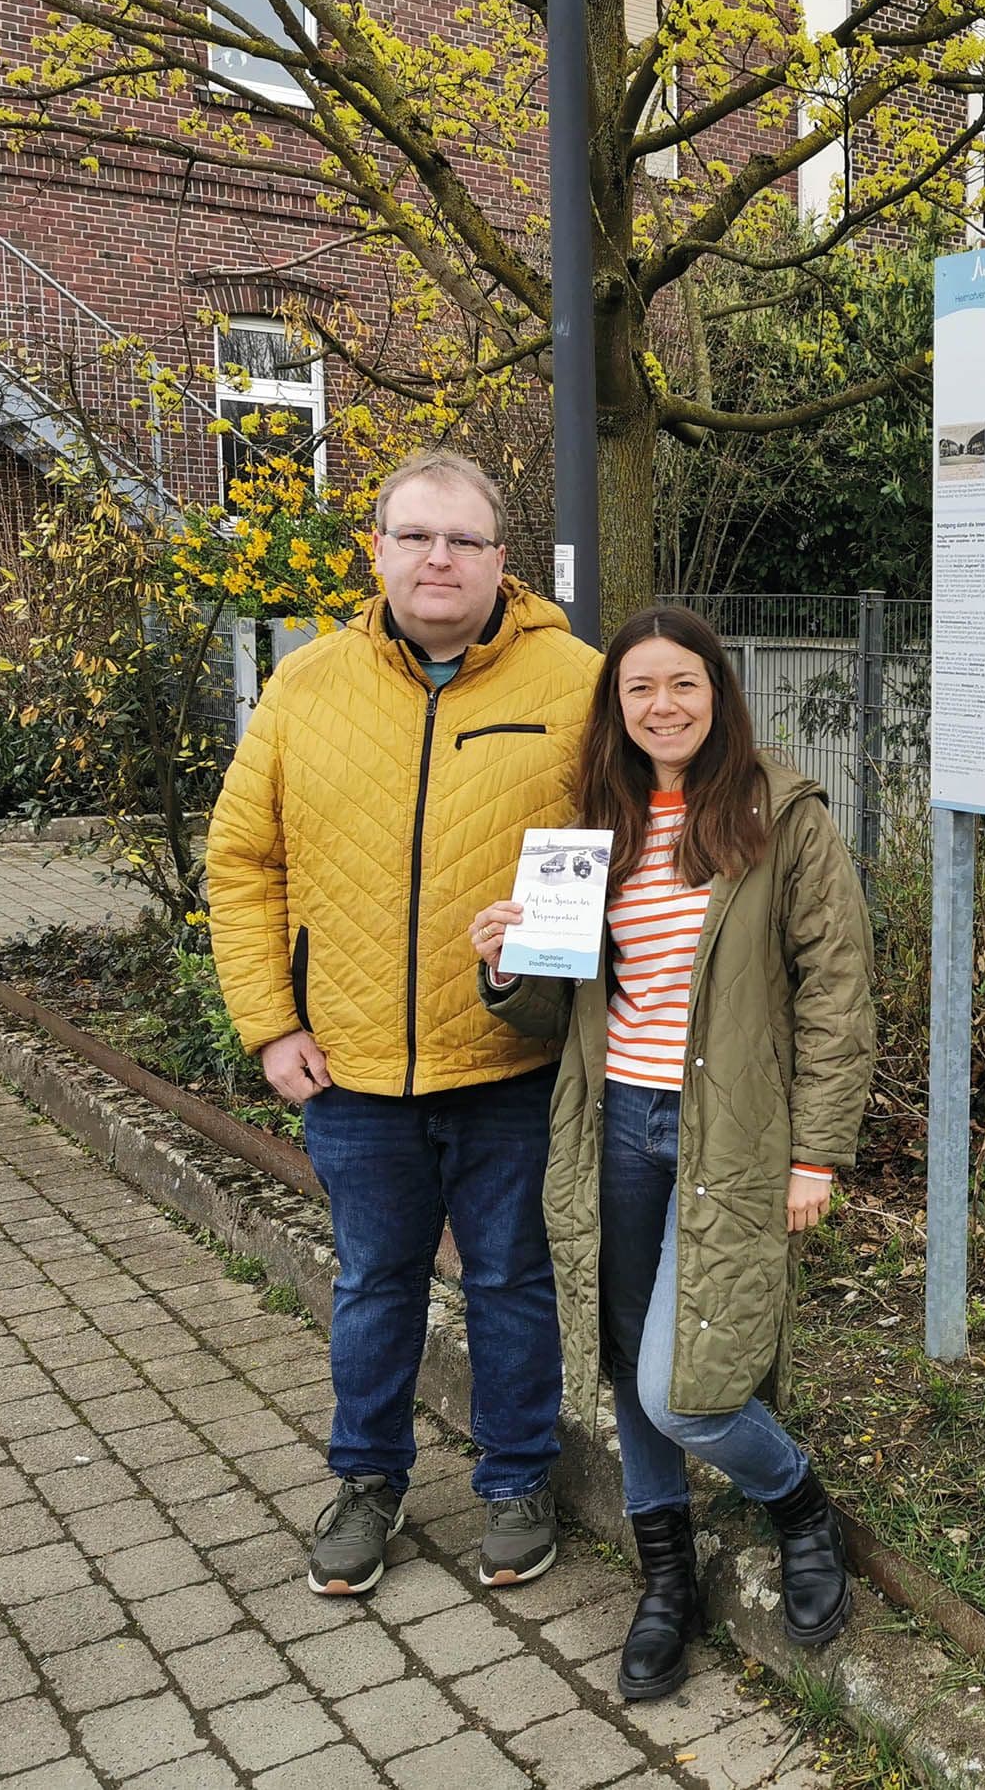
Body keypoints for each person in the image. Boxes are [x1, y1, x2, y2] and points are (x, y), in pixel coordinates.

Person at [209, 448, 600, 1597]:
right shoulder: (305, 688)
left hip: (512, 1059)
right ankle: (367, 1481)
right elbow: (243, 863)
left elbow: (631, 847)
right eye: (415, 536)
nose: (439, 558)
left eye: (463, 539)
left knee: (512, 1283)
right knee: (375, 1285)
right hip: (353, 1068)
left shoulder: (575, 684)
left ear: (500, 560)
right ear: (374, 550)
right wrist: (269, 1024)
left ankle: (516, 1480)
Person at [471, 604, 876, 1701]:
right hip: (614, 1127)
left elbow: (837, 993)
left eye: (683, 684)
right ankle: (665, 1579)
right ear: (616, 707)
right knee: (624, 1366)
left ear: (718, 692)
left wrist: (815, 1153)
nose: (663, 706)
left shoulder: (780, 816)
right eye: (639, 688)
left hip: (728, 1137)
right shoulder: (593, 831)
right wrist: (508, 968)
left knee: (683, 1391)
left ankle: (797, 1504)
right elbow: (562, 1014)